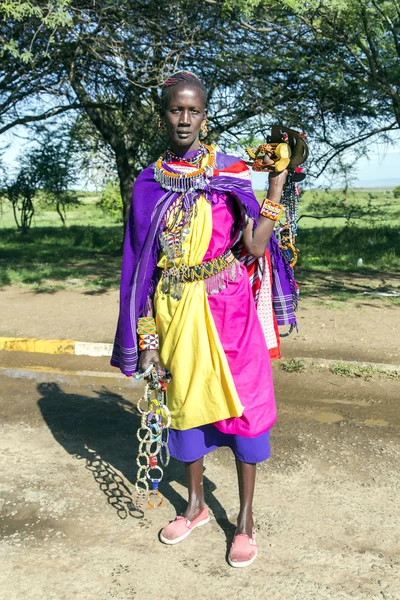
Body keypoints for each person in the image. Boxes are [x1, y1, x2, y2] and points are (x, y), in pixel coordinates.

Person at [111, 70, 288, 568]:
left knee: (243, 412)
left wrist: (275, 183)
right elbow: (140, 266)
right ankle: (195, 507)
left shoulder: (229, 169)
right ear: (163, 113)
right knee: (185, 411)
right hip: (171, 314)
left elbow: (254, 245)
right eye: (175, 109)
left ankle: (246, 520)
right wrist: (145, 335)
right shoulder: (148, 182)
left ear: (204, 115)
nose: (184, 118)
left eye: (193, 110)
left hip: (228, 310)